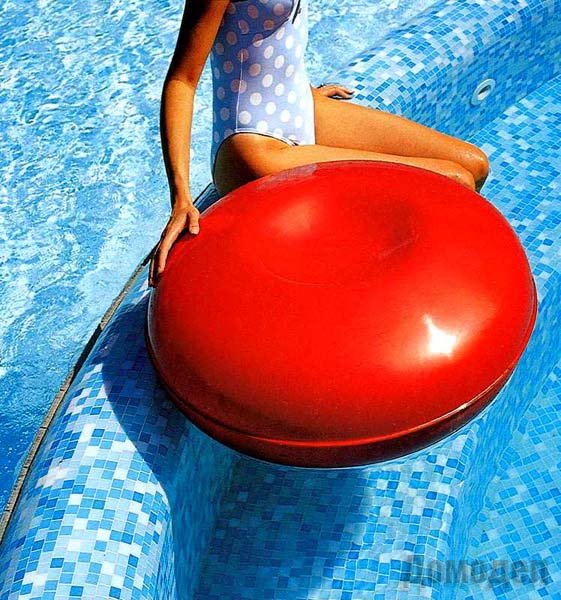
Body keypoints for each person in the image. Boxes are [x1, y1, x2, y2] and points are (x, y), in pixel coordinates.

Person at [148, 0, 490, 287]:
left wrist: (296, 85)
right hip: (255, 146)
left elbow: (272, 35)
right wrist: (181, 197)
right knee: (456, 181)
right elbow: (182, 81)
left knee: (474, 165)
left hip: (300, 106)